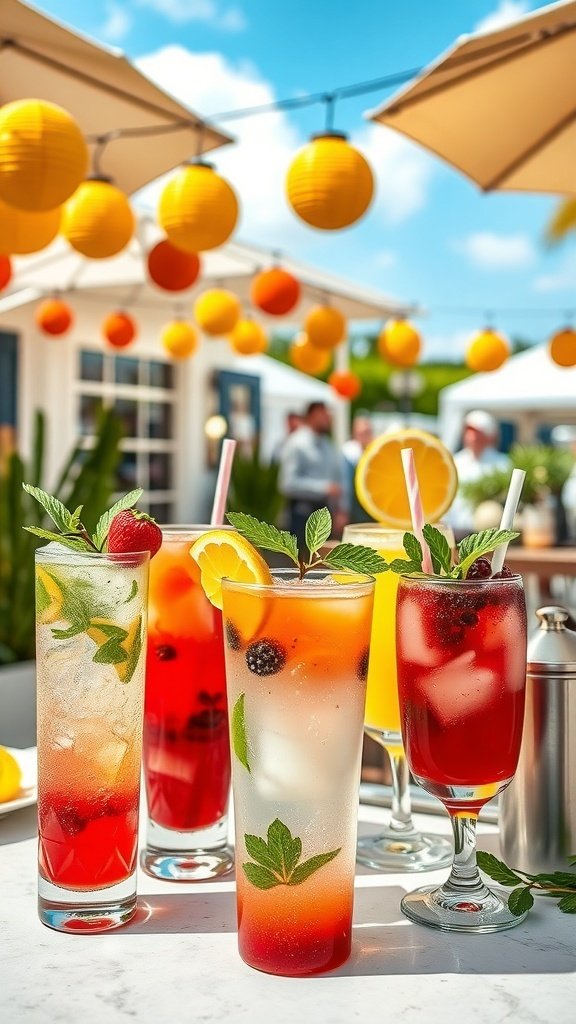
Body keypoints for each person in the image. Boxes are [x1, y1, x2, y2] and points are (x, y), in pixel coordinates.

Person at [278, 401, 347, 545]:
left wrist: (340, 509)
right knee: (303, 562)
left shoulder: (328, 444)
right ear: (312, 415)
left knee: (322, 561)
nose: (329, 418)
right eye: (325, 414)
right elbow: (287, 483)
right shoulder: (296, 443)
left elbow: (336, 478)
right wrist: (323, 488)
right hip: (302, 514)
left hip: (324, 513)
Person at [448, 410, 510, 537]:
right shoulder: (454, 463)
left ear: (489, 436)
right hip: (456, 533)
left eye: (478, 432)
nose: (472, 437)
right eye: (469, 431)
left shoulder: (503, 464)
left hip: (489, 536)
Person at [342, 414, 374, 523]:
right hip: (355, 509)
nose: (365, 436)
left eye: (367, 432)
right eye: (362, 433)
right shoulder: (348, 454)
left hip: (373, 508)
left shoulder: (376, 453)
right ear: (355, 434)